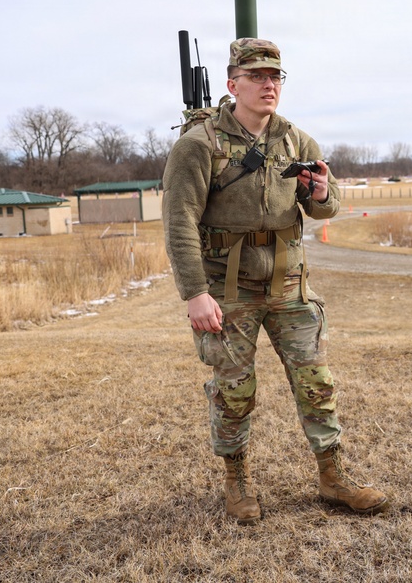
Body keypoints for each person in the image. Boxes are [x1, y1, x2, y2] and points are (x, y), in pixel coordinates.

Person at [162, 38, 388, 523]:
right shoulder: (197, 146)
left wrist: (326, 195)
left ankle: (334, 477)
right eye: (257, 77)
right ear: (232, 84)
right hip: (227, 289)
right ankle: (236, 482)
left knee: (316, 382)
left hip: (290, 283)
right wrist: (195, 293)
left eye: (276, 77)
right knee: (235, 389)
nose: (269, 85)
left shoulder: (296, 140)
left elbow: (324, 207)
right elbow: (179, 221)